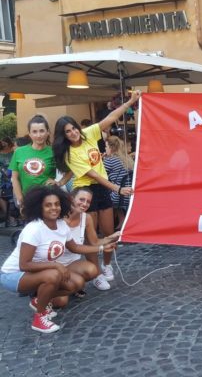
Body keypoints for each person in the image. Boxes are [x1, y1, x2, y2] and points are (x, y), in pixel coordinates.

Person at [0, 185, 116, 333]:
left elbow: (75, 248)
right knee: (54, 275)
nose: (54, 208)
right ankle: (39, 318)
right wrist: (56, 265)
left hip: (38, 272)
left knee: (77, 283)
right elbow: (24, 264)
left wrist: (102, 248)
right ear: (39, 208)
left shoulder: (61, 225)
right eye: (48, 205)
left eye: (56, 204)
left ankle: (38, 300)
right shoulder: (34, 229)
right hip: (12, 275)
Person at [53, 91, 139, 283]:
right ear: (63, 135)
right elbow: (93, 174)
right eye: (68, 131)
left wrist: (131, 102)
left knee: (110, 233)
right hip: (85, 192)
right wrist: (117, 189)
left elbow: (111, 118)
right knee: (90, 237)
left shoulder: (88, 134)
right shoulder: (69, 153)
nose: (73, 133)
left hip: (102, 190)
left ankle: (107, 265)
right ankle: (96, 273)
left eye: (73, 128)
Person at [57, 187, 119, 298]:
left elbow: (94, 241)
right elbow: (74, 248)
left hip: (71, 264)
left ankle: (70, 283)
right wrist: (102, 248)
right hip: (54, 264)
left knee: (92, 270)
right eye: (81, 199)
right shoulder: (58, 217)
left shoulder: (86, 218)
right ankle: (42, 290)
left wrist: (113, 237)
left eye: (88, 202)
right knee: (61, 302)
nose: (85, 204)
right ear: (71, 199)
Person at [103, 136, 134, 230]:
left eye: (106, 146)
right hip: (129, 193)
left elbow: (99, 173)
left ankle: (105, 226)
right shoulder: (127, 158)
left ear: (111, 148)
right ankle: (122, 221)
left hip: (119, 195)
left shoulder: (110, 161)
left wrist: (102, 159)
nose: (105, 149)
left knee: (102, 194)